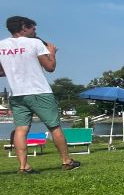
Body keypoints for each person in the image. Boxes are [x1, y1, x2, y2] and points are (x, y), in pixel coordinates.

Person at [0, 15, 80, 173]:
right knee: (54, 127)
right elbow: (50, 67)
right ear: (24, 28)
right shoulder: (35, 43)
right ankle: (66, 161)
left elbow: (1, 71)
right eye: (32, 28)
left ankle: (24, 166)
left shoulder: (1, 46)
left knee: (21, 129)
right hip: (39, 91)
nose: (35, 31)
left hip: (17, 94)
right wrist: (52, 53)